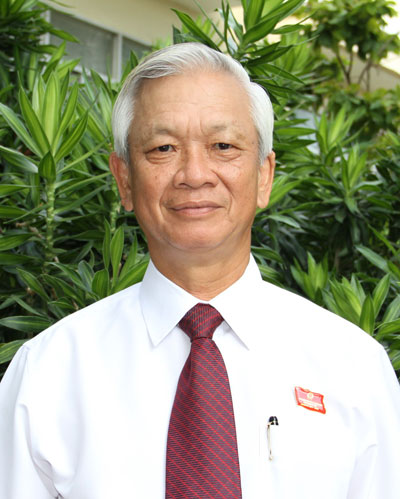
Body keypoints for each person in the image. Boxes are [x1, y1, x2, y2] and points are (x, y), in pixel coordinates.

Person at [0, 42, 399, 499]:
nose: (194, 174)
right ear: (124, 179)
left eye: (223, 146)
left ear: (265, 176)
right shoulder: (48, 373)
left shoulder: (354, 369)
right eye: (163, 148)